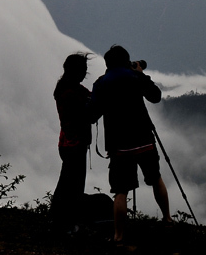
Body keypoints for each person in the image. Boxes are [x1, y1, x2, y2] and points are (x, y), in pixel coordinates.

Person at [88, 45, 170, 244]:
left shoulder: (102, 83)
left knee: (120, 191)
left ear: (107, 64)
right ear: (127, 61)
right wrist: (141, 74)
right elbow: (156, 96)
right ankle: (167, 219)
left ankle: (118, 236)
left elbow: (91, 115)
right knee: (156, 178)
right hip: (144, 140)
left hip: (119, 146)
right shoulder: (135, 77)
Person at [51, 52, 92, 230]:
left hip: (66, 143)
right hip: (75, 144)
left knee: (67, 182)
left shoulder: (65, 89)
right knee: (73, 184)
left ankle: (59, 219)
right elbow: (88, 112)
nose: (85, 73)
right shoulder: (73, 93)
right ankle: (65, 221)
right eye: (83, 70)